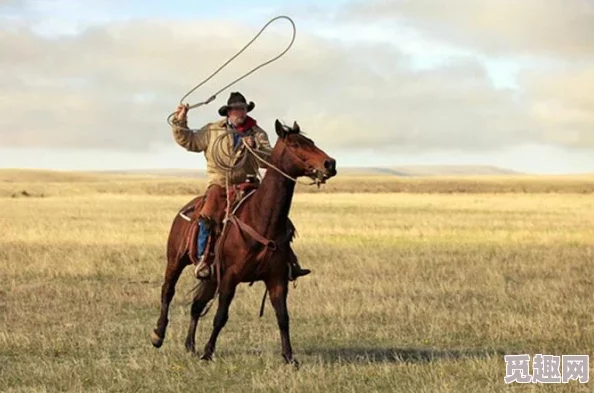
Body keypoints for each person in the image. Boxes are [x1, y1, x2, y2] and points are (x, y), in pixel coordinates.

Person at [171, 92, 310, 280]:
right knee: (208, 215)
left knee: (276, 216)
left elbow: (269, 159)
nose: (241, 112)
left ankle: (288, 261)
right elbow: (189, 141)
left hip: (249, 184)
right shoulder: (213, 131)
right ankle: (204, 258)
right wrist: (180, 121)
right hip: (220, 185)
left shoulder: (257, 132)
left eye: (243, 108)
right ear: (228, 112)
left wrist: (255, 146)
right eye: (237, 109)